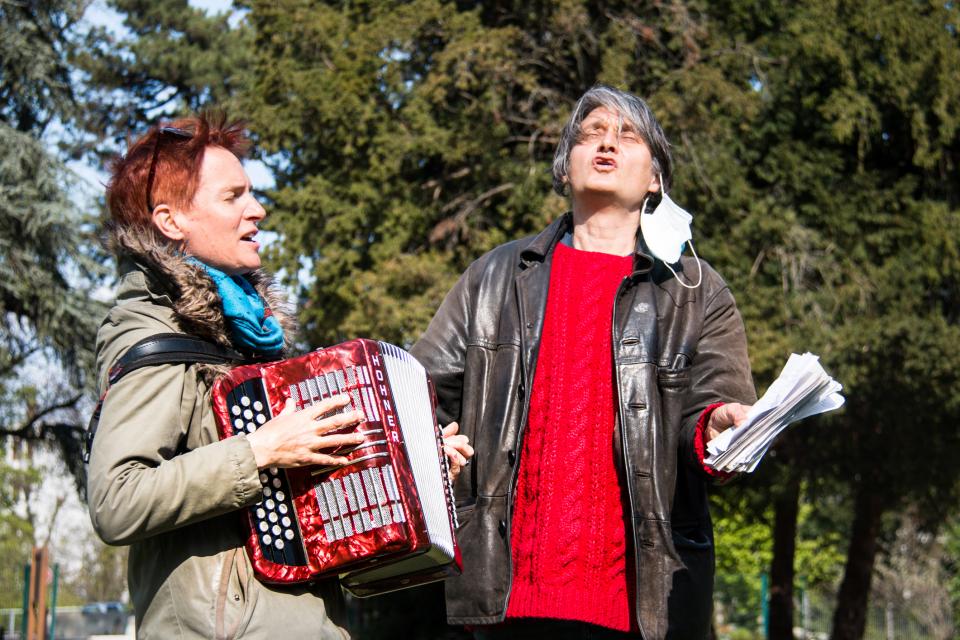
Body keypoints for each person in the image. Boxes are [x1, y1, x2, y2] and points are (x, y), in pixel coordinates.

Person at [86, 112, 472, 639]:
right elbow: (116, 500)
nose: (258, 210)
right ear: (171, 221)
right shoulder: (152, 334)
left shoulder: (244, 337)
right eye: (233, 197)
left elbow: (306, 524)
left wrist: (415, 476)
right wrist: (258, 452)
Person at [411, 85, 757, 640]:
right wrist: (434, 440)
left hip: (644, 612)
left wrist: (720, 425)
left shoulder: (696, 291)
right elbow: (418, 393)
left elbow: (711, 413)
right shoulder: (494, 277)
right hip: (504, 604)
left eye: (627, 136)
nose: (606, 144)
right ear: (565, 166)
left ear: (655, 179)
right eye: (590, 133)